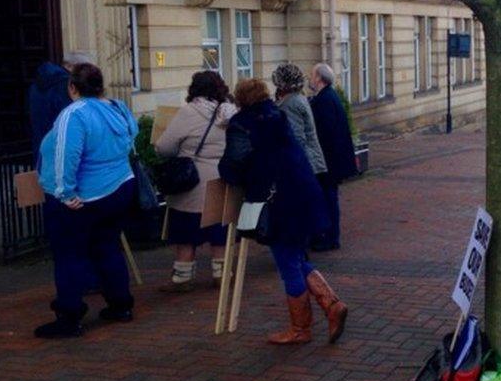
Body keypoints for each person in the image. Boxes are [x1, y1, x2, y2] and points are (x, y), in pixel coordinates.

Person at [219, 79, 347, 345]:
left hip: (278, 201)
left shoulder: (242, 123)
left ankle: (301, 328)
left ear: (241, 99)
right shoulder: (278, 114)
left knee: (287, 261)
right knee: (296, 255)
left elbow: (234, 164)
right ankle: (331, 304)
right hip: (304, 191)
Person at [34, 62, 138, 338]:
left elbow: (66, 155)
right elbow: (132, 138)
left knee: (70, 255)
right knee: (107, 248)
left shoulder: (74, 113)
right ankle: (120, 305)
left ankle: (69, 316)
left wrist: (64, 193)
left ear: (72, 87)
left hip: (85, 196)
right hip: (119, 187)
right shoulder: (117, 107)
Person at [154, 71, 236, 292]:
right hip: (222, 179)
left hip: (193, 182)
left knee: (186, 232)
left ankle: (182, 277)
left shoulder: (189, 112)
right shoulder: (230, 112)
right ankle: (222, 274)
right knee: (219, 232)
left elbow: (164, 146)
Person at [308, 63, 359, 251]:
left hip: (329, 161)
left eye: (312, 75)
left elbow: (325, 133)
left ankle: (330, 237)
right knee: (329, 198)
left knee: (328, 199)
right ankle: (328, 235)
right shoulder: (328, 96)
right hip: (332, 159)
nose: (310, 79)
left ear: (319, 78)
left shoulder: (324, 100)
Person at [28, 52, 93, 151]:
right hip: (63, 144)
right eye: (84, 68)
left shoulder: (35, 85)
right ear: (70, 66)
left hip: (41, 142)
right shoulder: (68, 86)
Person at [273, 63, 328, 178]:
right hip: (312, 163)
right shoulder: (299, 98)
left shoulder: (289, 104)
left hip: (305, 166)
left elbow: (296, 138)